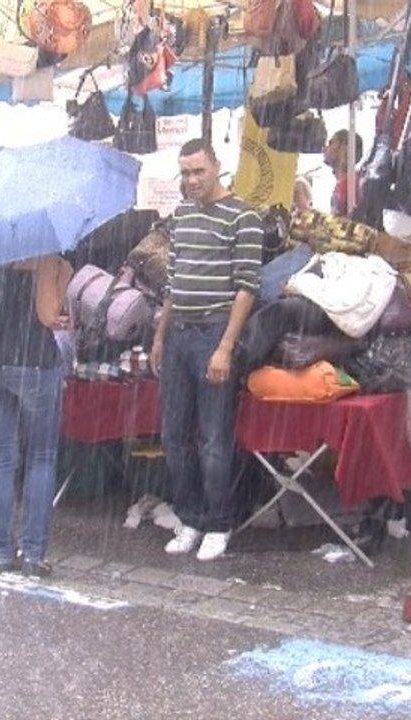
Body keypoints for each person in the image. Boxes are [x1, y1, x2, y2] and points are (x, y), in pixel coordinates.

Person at [150, 138, 263, 561]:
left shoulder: (244, 216)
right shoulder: (181, 216)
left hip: (214, 333)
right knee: (174, 436)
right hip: (179, 334)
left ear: (217, 167)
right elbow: (174, 284)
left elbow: (247, 286)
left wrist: (225, 347)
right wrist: (161, 336)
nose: (192, 180)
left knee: (214, 438)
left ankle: (219, 521)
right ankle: (191, 517)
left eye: (198, 171)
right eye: (185, 172)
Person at [0, 254, 72, 577]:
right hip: (33, 361)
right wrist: (62, 273)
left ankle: (1, 551)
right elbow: (48, 314)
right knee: (42, 456)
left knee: (0, 454)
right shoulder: (42, 249)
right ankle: (34, 554)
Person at [323, 129, 363, 217]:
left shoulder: (353, 185)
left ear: (344, 149)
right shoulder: (345, 184)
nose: (325, 148)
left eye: (331, 143)